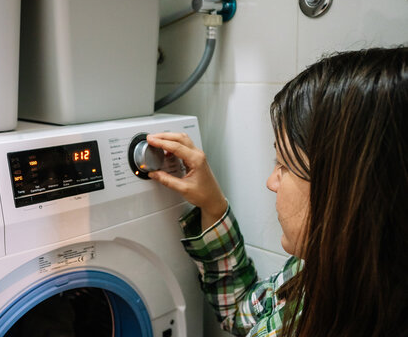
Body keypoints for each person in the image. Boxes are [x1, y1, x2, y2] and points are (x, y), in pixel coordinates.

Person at [146, 47, 408, 337]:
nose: (271, 182)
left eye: (284, 165)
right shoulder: (311, 270)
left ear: (350, 190)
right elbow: (241, 310)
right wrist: (213, 205)